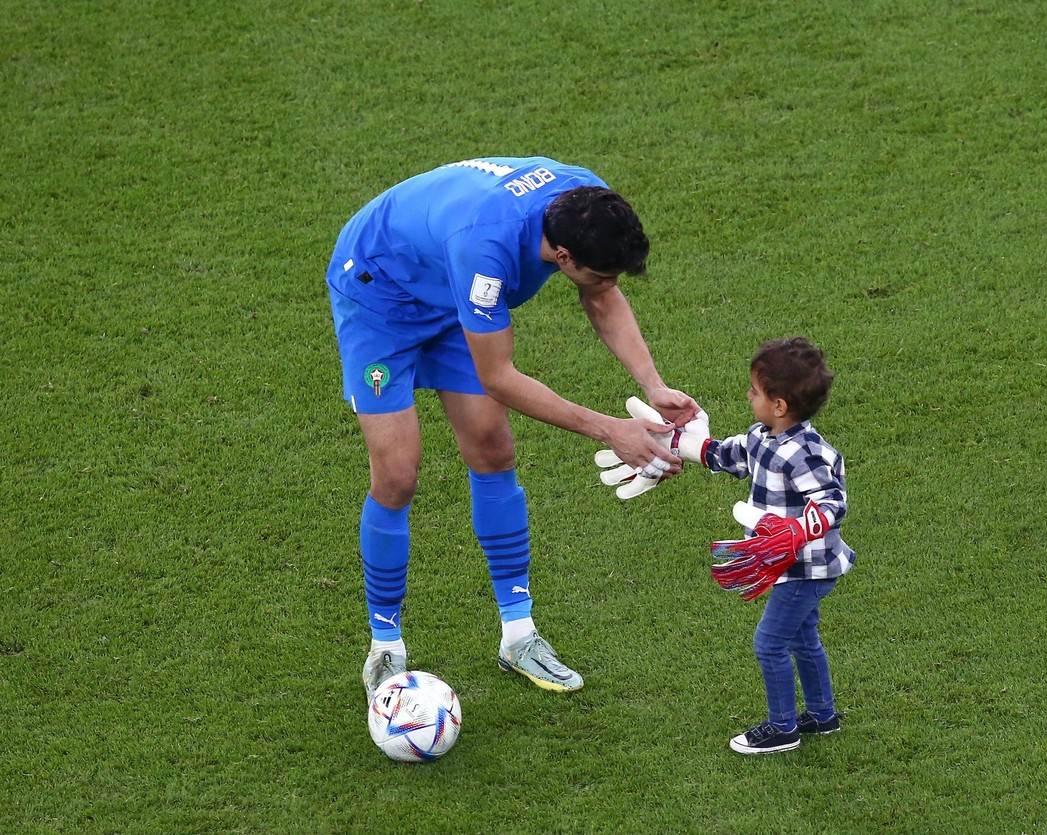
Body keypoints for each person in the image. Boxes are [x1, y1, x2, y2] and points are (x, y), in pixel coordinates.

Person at [325, 156, 699, 700]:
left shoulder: (588, 201)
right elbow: (498, 377)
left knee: (493, 449)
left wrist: (653, 385)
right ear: (563, 255)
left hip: (451, 290)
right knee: (397, 474)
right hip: (381, 293)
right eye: (597, 270)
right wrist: (610, 430)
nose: (605, 282)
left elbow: (601, 294)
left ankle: (519, 636)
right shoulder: (487, 251)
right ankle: (386, 646)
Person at [673, 337, 856, 754]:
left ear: (779, 405)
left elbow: (832, 500)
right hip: (787, 565)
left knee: (769, 643)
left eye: (755, 391)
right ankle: (822, 716)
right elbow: (728, 456)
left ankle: (782, 727)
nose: (748, 396)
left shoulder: (804, 453)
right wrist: (681, 445)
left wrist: (799, 530)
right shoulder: (762, 436)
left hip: (804, 568)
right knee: (803, 638)